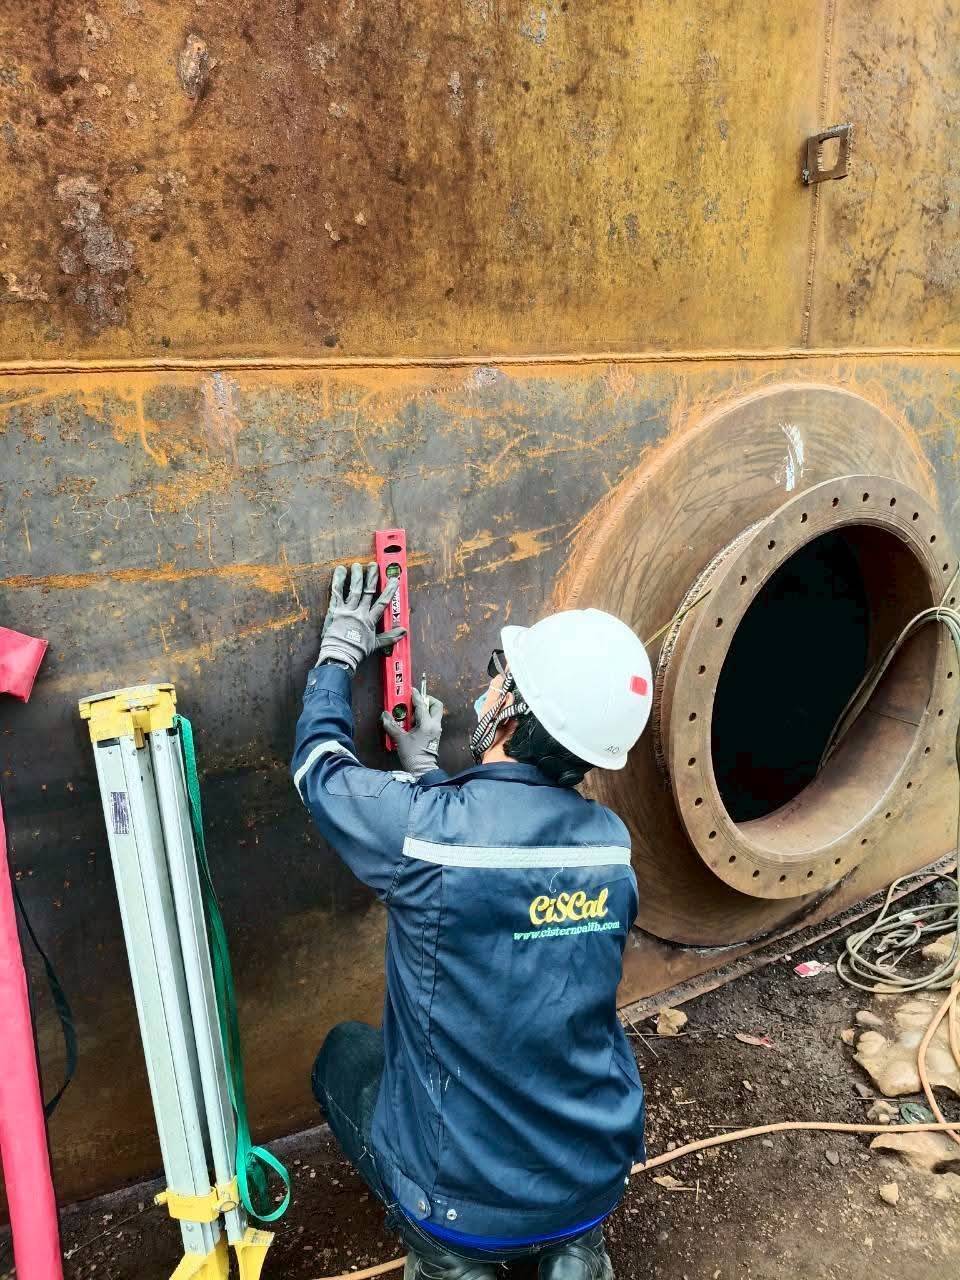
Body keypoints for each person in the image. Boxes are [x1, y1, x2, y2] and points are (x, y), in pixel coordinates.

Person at [292, 562, 653, 1280]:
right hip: (592, 1181)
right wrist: (426, 771)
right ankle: (572, 1251)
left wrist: (338, 654)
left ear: (511, 711)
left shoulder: (428, 836)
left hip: (458, 1203)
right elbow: (497, 862)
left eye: (498, 677)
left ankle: (453, 1263)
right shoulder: (611, 848)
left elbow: (319, 771)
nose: (485, 688)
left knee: (343, 1055)